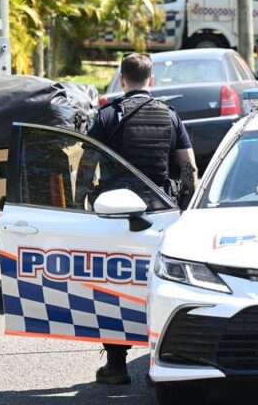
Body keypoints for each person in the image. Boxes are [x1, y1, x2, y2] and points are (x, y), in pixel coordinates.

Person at [86, 53, 197, 385]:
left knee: (115, 287)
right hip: (160, 215)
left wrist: (83, 204)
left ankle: (117, 366)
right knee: (160, 285)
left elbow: (85, 166)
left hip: (114, 216)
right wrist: (187, 209)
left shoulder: (106, 117)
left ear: (122, 79)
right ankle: (161, 360)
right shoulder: (169, 115)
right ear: (151, 80)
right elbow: (189, 169)